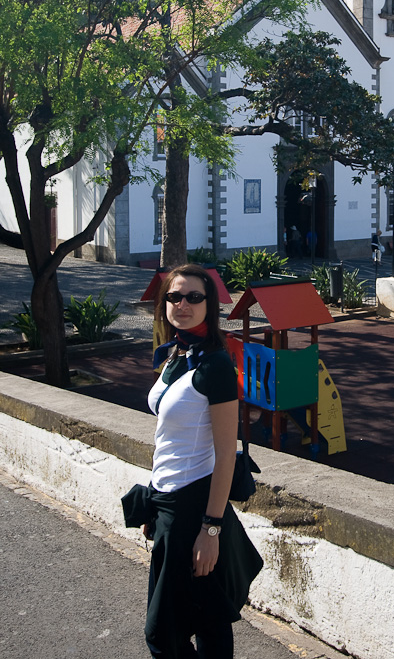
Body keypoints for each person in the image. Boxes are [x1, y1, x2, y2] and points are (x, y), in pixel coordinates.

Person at [134, 264, 263, 659]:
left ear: (210, 304)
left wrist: (211, 530)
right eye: (175, 296)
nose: (183, 304)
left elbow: (226, 453)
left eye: (194, 297)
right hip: (169, 502)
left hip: (195, 507)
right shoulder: (177, 355)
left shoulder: (215, 366)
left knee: (163, 636)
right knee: (208, 617)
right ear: (164, 303)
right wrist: (154, 501)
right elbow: (167, 437)